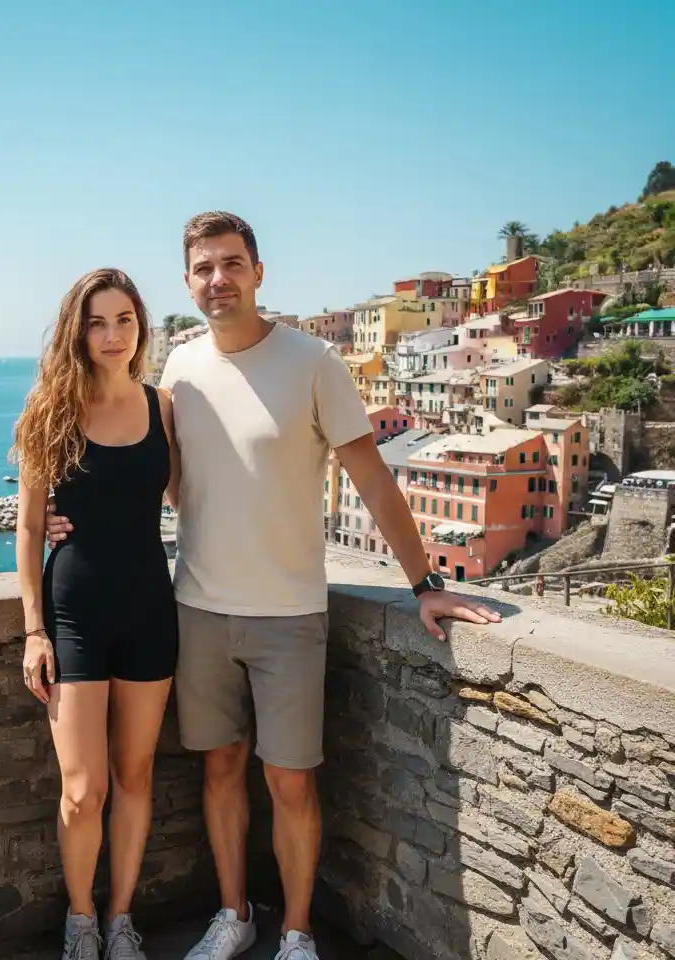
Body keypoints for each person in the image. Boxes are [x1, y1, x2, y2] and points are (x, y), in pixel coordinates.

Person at [45, 212, 501, 960]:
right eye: (203, 269)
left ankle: (296, 934)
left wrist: (424, 583)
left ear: (259, 272)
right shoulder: (179, 372)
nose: (217, 279)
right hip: (194, 609)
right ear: (188, 283)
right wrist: (68, 513)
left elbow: (374, 479)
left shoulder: (314, 361)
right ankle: (235, 916)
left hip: (289, 612)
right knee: (220, 772)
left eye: (231, 264)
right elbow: (154, 475)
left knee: (291, 782)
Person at [13, 268, 180, 960]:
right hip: (74, 613)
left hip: (150, 609)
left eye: (125, 321)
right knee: (84, 791)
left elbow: (190, 497)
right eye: (97, 322)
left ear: (142, 328)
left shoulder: (164, 406)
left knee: (136, 776)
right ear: (76, 331)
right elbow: (26, 529)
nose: (112, 336)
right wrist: (32, 630)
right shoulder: (50, 410)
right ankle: (80, 920)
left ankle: (120, 919)